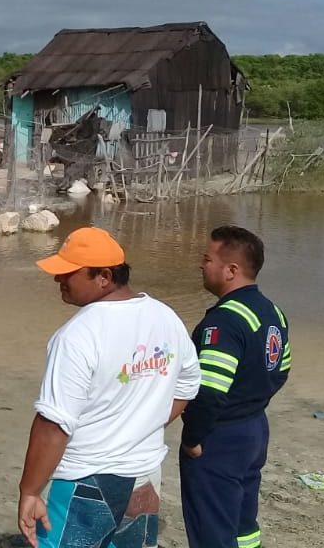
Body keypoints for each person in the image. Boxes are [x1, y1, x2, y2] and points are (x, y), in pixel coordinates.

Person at [17, 226, 200, 548]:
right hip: (144, 475)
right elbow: (187, 385)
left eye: (68, 274)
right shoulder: (165, 317)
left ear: (103, 276)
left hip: (86, 479)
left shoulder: (77, 335)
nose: (58, 280)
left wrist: (30, 491)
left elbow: (54, 425)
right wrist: (141, 426)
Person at [180, 226, 291, 548]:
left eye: (207, 258)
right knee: (243, 521)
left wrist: (193, 438)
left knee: (212, 525)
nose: (202, 265)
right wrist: (251, 402)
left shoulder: (224, 321)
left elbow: (210, 391)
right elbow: (281, 370)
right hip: (255, 428)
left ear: (231, 270)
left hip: (221, 435)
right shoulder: (273, 312)